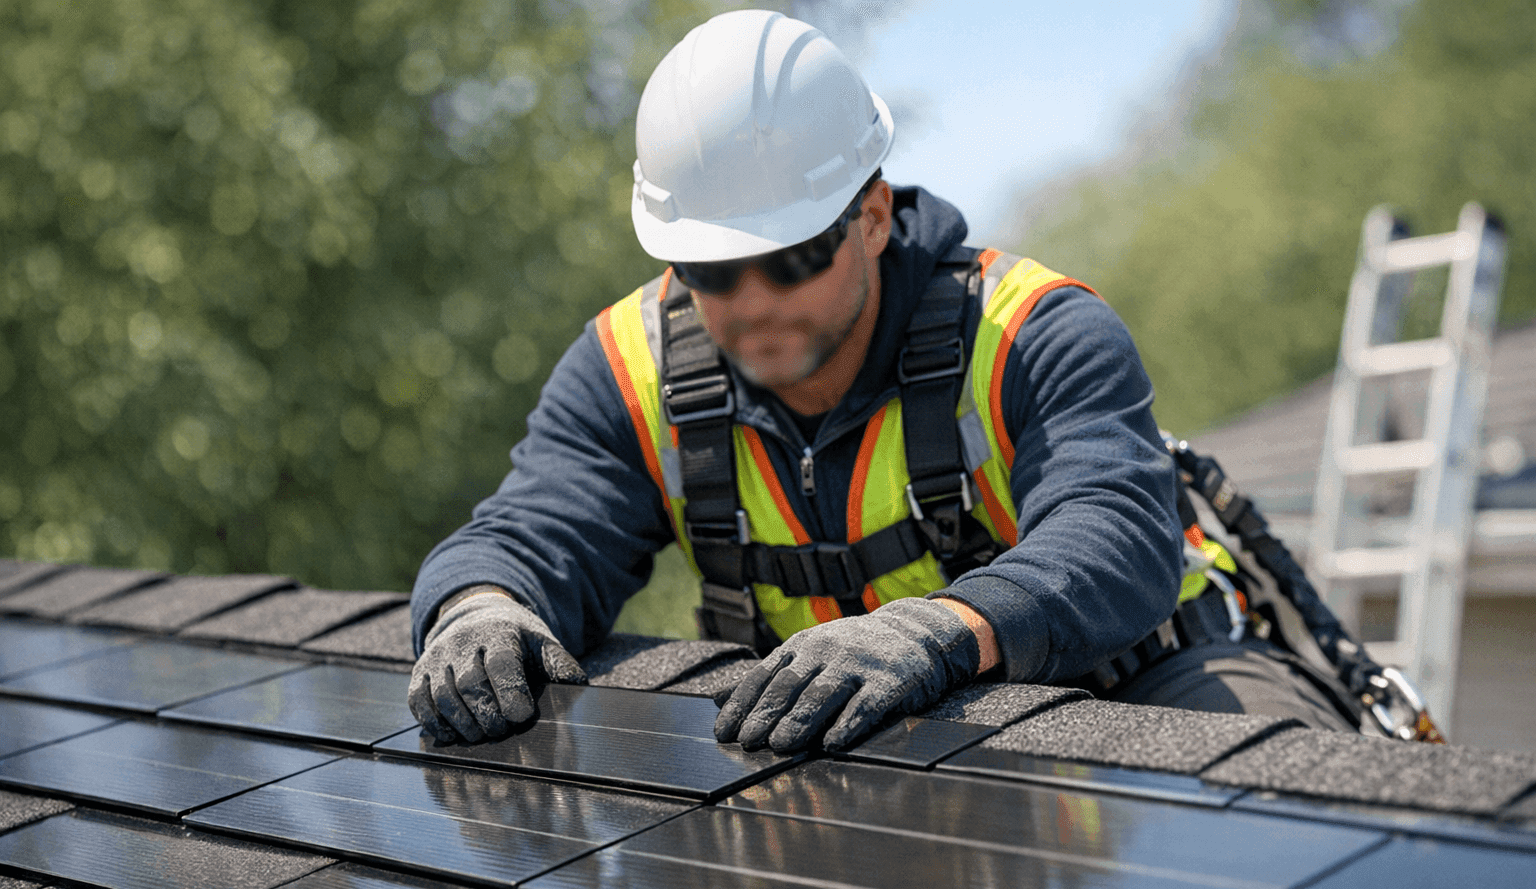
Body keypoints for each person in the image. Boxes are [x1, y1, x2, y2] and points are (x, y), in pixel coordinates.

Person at [407, 9, 1351, 753]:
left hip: (1145, 685)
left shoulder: (1032, 332)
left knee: (1287, 811)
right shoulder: (628, 367)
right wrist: (478, 602)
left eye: (790, 257)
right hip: (854, 729)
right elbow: (537, 525)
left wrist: (941, 629)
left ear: (869, 213)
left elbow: (1117, 537)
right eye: (709, 270)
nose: (751, 301)